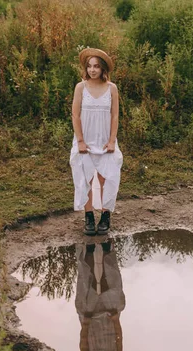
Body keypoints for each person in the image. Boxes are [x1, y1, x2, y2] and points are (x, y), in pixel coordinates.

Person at [71, 48, 123, 235]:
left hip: (105, 141)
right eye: (89, 66)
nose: (92, 70)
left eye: (96, 67)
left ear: (103, 69)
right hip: (85, 141)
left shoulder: (112, 88)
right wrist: (81, 141)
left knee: (106, 179)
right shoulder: (80, 87)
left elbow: (115, 116)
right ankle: (89, 217)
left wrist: (111, 141)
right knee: (85, 179)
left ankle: (105, 216)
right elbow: (75, 115)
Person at [75, 237, 125, 351]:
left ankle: (88, 252)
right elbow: (119, 338)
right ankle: (106, 251)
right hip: (109, 319)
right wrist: (116, 319)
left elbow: (83, 342)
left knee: (86, 284)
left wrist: (86, 323)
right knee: (110, 284)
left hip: (91, 320)